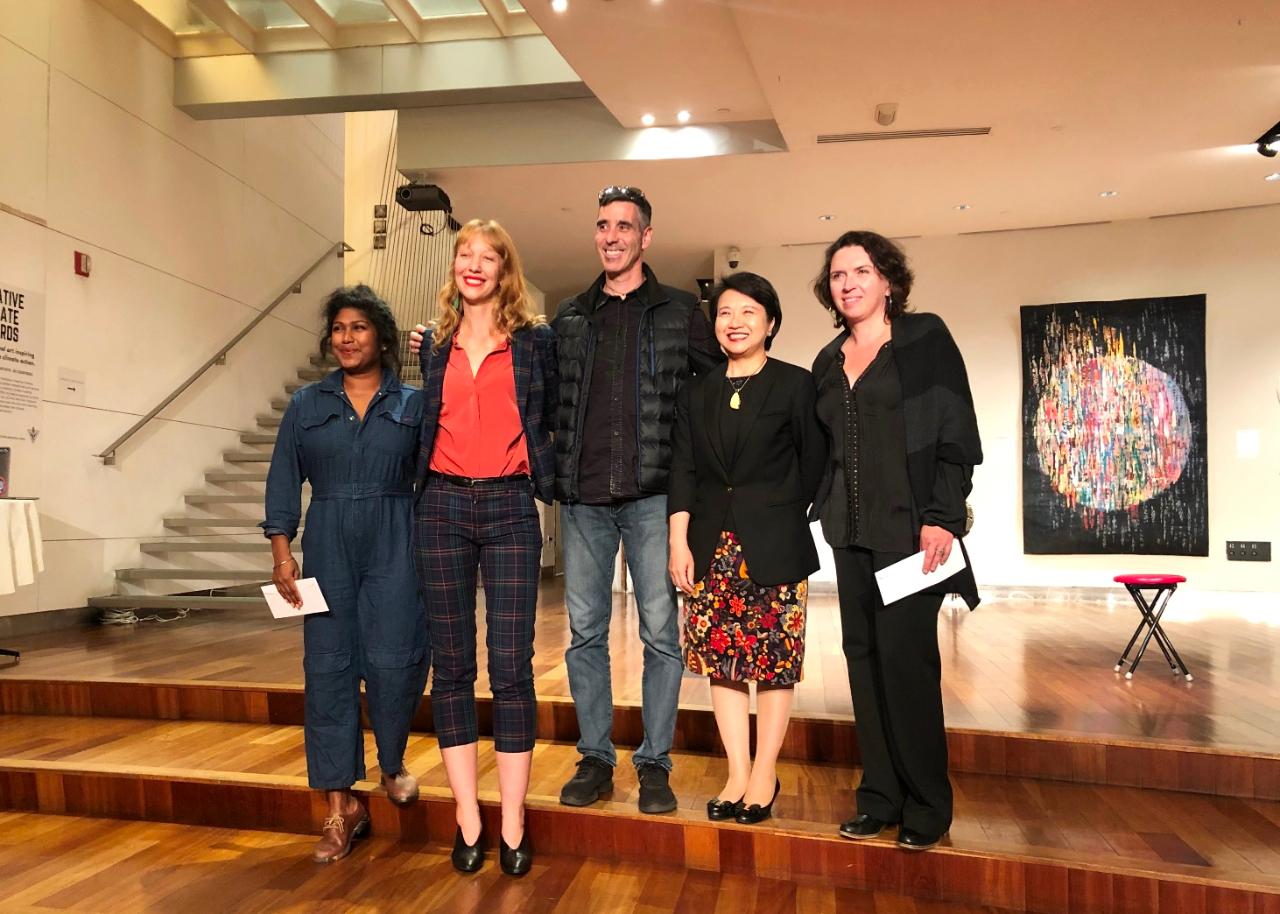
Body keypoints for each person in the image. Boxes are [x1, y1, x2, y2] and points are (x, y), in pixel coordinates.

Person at [809, 231, 982, 851]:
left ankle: (927, 805)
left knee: (908, 667)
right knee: (863, 661)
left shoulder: (923, 339)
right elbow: (821, 453)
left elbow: (956, 433)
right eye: (837, 275)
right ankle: (878, 797)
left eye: (861, 270)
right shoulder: (828, 360)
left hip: (912, 534)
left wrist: (944, 515)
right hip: (850, 535)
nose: (848, 282)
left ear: (887, 280)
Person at [552, 185, 722, 814]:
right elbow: (543, 398)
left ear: (647, 236)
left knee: (660, 636)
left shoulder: (681, 311)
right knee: (584, 634)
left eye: (625, 226)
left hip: (655, 498)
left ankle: (654, 763)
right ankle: (596, 758)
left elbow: (710, 402)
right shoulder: (569, 316)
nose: (612, 236)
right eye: (603, 225)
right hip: (584, 501)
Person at [263, 284, 428, 864]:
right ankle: (340, 806)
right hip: (328, 541)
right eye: (338, 328)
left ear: (381, 337)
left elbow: (433, 478)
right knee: (328, 668)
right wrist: (283, 553)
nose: (348, 338)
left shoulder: (413, 403)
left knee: (397, 654)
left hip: (397, 538)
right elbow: (284, 480)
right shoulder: (307, 406)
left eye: (359, 327)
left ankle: (391, 760)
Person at [412, 219, 555, 877]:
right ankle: (469, 815)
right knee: (451, 662)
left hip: (508, 506)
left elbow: (547, 417)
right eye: (464, 255)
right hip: (440, 504)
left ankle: (514, 817)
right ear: (455, 268)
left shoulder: (533, 343)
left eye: (487, 257)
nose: (474, 265)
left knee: (511, 664)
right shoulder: (433, 345)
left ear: (505, 270)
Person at [667, 272, 825, 825]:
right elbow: (683, 471)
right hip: (711, 546)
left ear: (771, 323)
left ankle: (765, 771)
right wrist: (677, 540)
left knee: (774, 664)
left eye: (748, 313)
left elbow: (813, 468)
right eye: (725, 313)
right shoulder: (697, 391)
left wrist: (779, 512)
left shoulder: (795, 385)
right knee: (723, 663)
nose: (734, 323)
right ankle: (736, 772)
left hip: (774, 542)